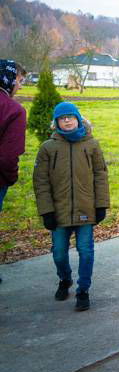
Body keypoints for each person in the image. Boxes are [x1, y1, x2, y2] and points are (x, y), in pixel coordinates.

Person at [33, 102, 109, 311]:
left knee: (86, 251)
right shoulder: (48, 147)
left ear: (78, 119)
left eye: (70, 116)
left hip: (86, 210)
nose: (67, 120)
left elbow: (101, 175)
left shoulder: (91, 144)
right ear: (56, 122)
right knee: (58, 252)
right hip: (58, 211)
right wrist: (46, 211)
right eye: (62, 117)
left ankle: (83, 290)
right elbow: (40, 181)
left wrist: (101, 205)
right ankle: (64, 279)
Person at [0, 60, 26, 285]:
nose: (21, 85)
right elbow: (9, 156)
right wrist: (9, 179)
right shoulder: (12, 109)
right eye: (19, 80)